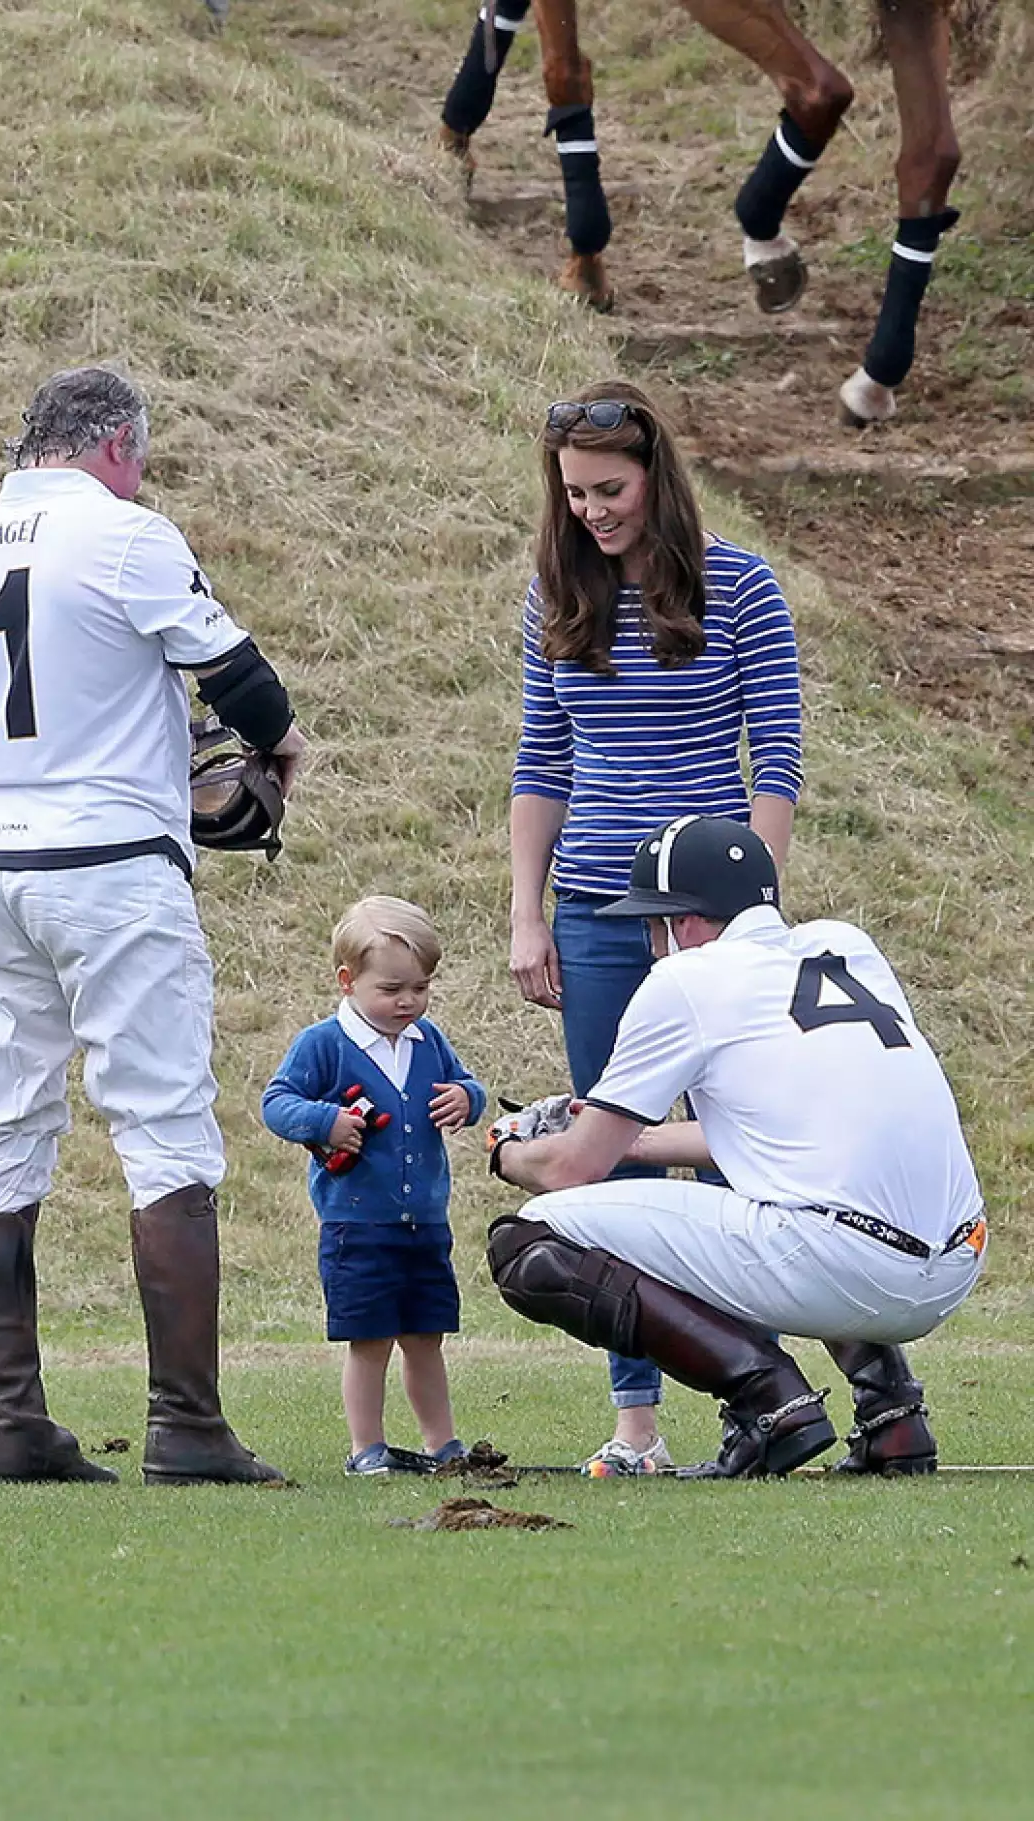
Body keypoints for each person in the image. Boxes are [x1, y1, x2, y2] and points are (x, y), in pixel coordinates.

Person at [0, 366, 307, 1487]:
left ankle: (12, 1421)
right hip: (115, 866)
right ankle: (187, 1426)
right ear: (118, 442)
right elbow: (247, 688)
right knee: (165, 1126)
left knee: (3, 1129)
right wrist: (271, 754)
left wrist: (16, 770)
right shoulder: (130, 535)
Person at [487, 815, 987, 1479]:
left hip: (843, 1264)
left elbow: (574, 1168)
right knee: (808, 1192)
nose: (651, 941)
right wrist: (637, 1141)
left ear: (687, 922)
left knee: (524, 1245)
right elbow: (790, 1137)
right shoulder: (845, 945)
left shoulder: (686, 980)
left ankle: (769, 1401)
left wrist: (509, 1150)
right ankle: (893, 1416)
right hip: (957, 1260)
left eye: (653, 921)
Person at [509, 379, 803, 1474]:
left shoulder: (740, 585)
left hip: (710, 913)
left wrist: (752, 904)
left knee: (736, 1148)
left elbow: (775, 755)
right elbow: (542, 761)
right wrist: (525, 913)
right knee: (610, 1152)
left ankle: (757, 1391)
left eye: (611, 488)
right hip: (592, 906)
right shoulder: (554, 593)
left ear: (655, 476)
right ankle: (636, 1420)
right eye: (575, 493)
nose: (593, 510)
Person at [261, 897, 487, 1475]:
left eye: (421, 987)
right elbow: (277, 1102)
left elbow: (467, 1083)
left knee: (425, 1337)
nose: (408, 1001)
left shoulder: (426, 1039)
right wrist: (324, 1123)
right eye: (391, 990)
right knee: (370, 1340)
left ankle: (443, 1443)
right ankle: (367, 1448)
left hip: (426, 1223)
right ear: (347, 980)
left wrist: (469, 1098)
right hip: (356, 1225)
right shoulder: (323, 1045)